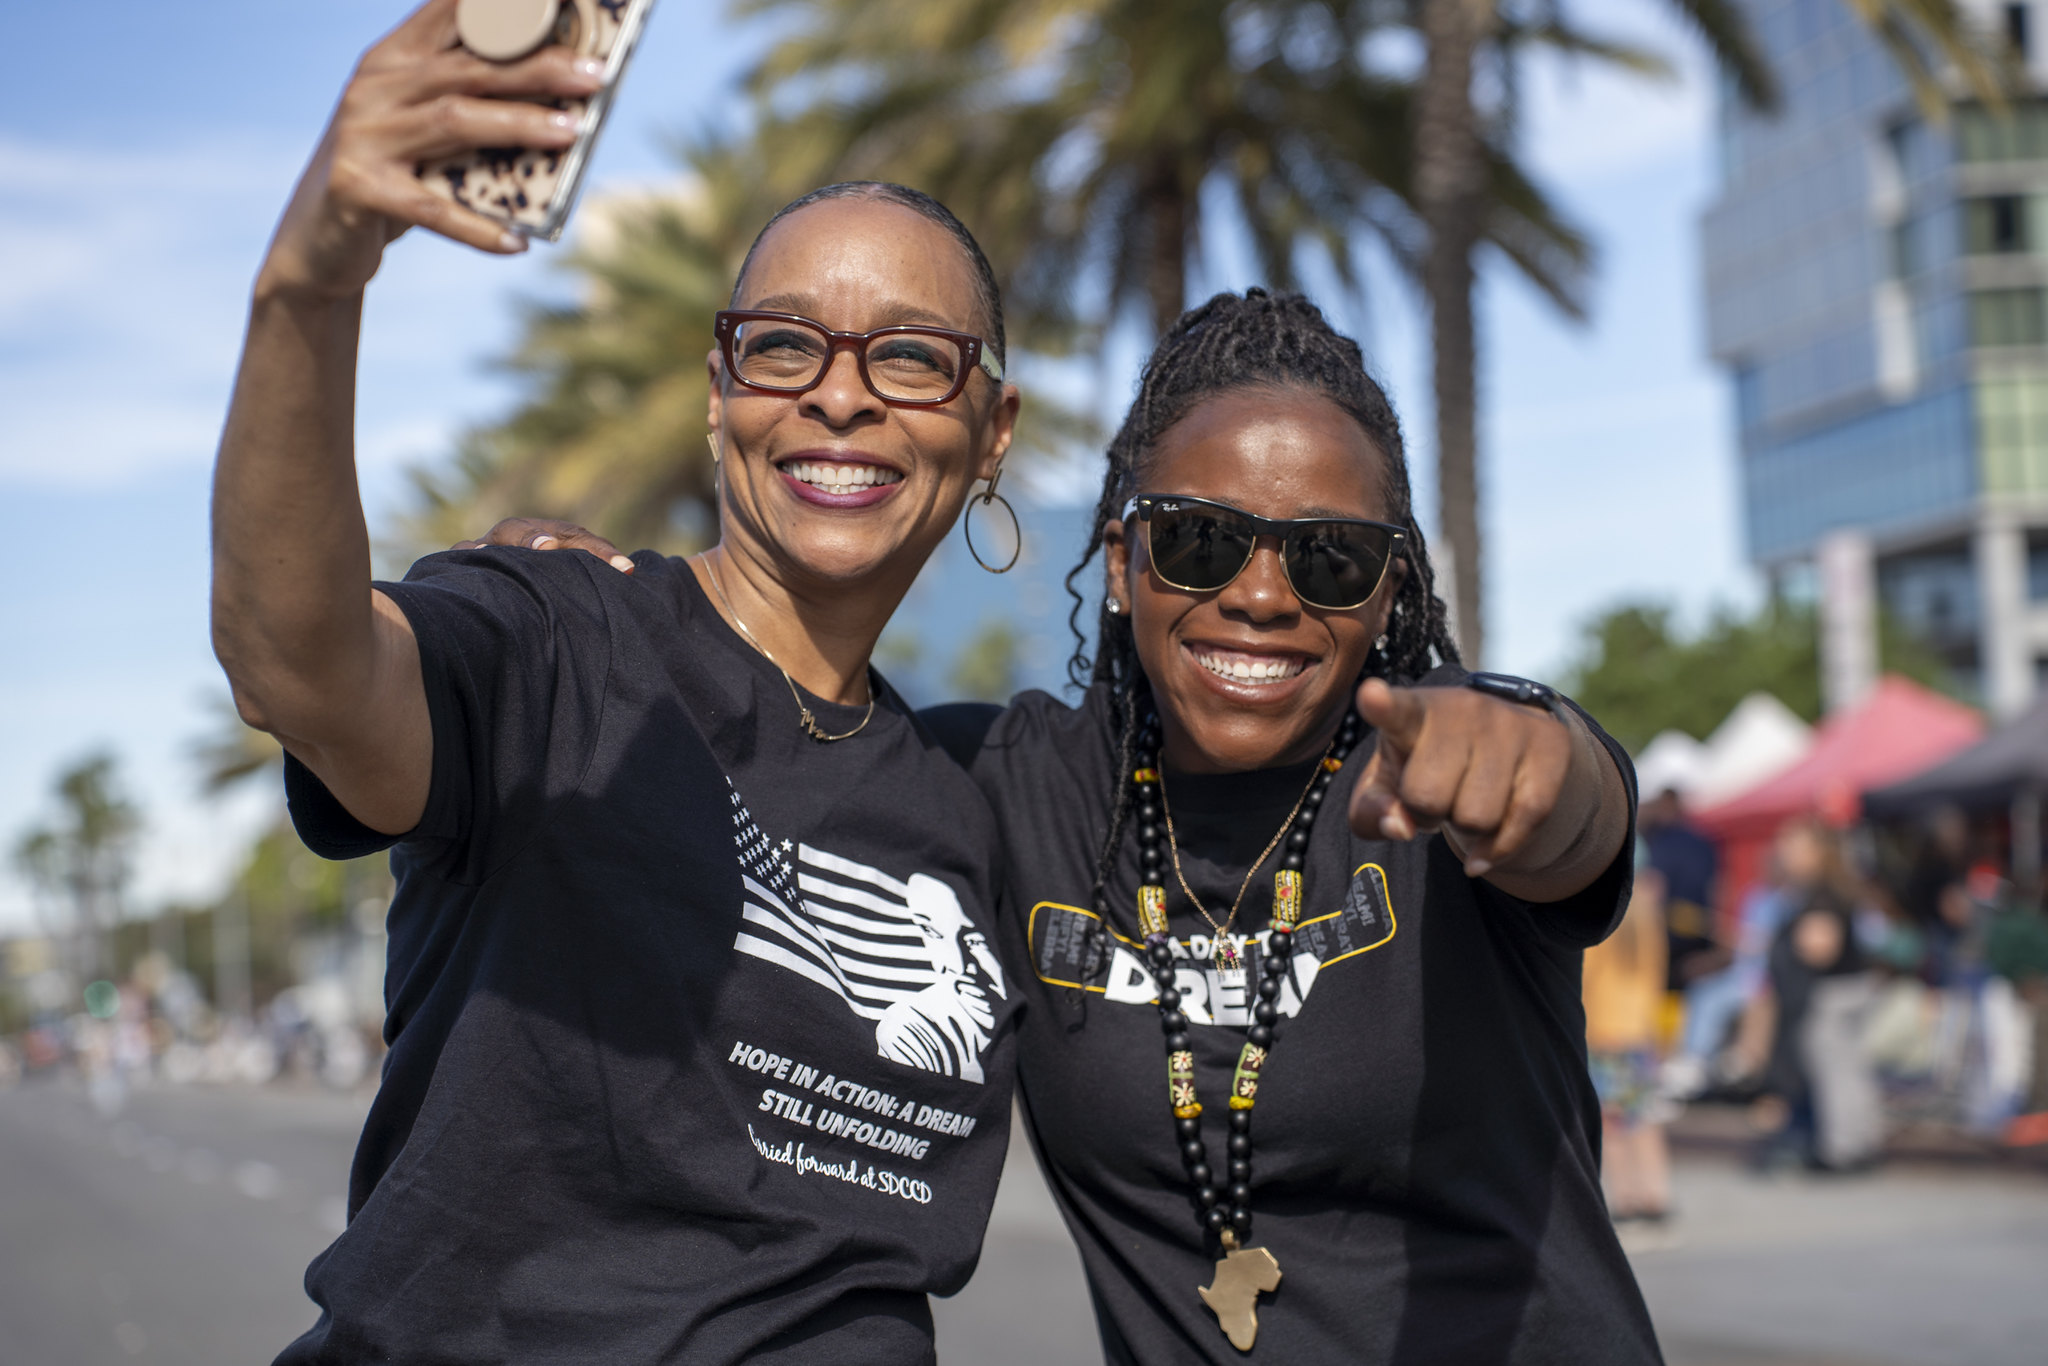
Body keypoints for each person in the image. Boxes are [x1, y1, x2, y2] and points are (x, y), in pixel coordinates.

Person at [500, 289, 1657, 1363]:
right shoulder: (1002, 785)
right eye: (1199, 539)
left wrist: (1537, 774)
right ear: (1118, 562)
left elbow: (1573, 815)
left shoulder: (1447, 773)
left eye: (1330, 558)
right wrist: (595, 622)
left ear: (1388, 591)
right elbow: (770, 744)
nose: (1261, 595)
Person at [211, 4, 1026, 1360]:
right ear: (717, 393)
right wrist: (313, 273)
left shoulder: (986, 789)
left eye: (909, 356)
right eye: (783, 345)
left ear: (991, 430)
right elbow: (297, 664)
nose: (839, 396)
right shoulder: (559, 641)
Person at [1754, 817, 1883, 1172]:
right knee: (1852, 1069)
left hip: (1833, 994)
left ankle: (1841, 1149)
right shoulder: (1830, 888)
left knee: (1834, 1072)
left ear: (1817, 852)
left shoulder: (1820, 893)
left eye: (1793, 847)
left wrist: (1787, 943)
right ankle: (1860, 1142)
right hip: (1849, 988)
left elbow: (1822, 946)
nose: (1785, 854)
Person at [1584, 856, 1673, 1227]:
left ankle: (1626, 1199)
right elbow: (1657, 974)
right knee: (1645, 1118)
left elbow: (1588, 977)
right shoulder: (1649, 919)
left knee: (1613, 1122)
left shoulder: (1603, 917)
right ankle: (1656, 1194)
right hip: (1639, 1030)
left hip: (1605, 1030)